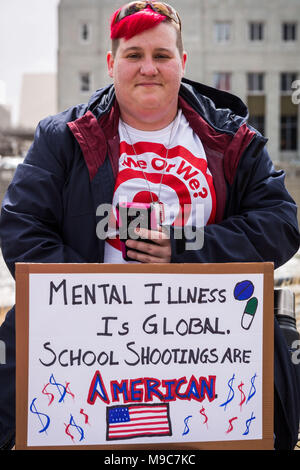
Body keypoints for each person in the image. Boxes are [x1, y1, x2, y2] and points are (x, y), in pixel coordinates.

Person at [0, 1, 299, 450]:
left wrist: (183, 248)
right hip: (88, 354)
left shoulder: (232, 139)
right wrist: (97, 304)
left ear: (183, 61)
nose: (148, 68)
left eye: (161, 55)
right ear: (110, 63)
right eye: (133, 55)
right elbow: (22, 228)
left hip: (204, 355)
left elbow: (280, 223)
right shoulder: (62, 137)